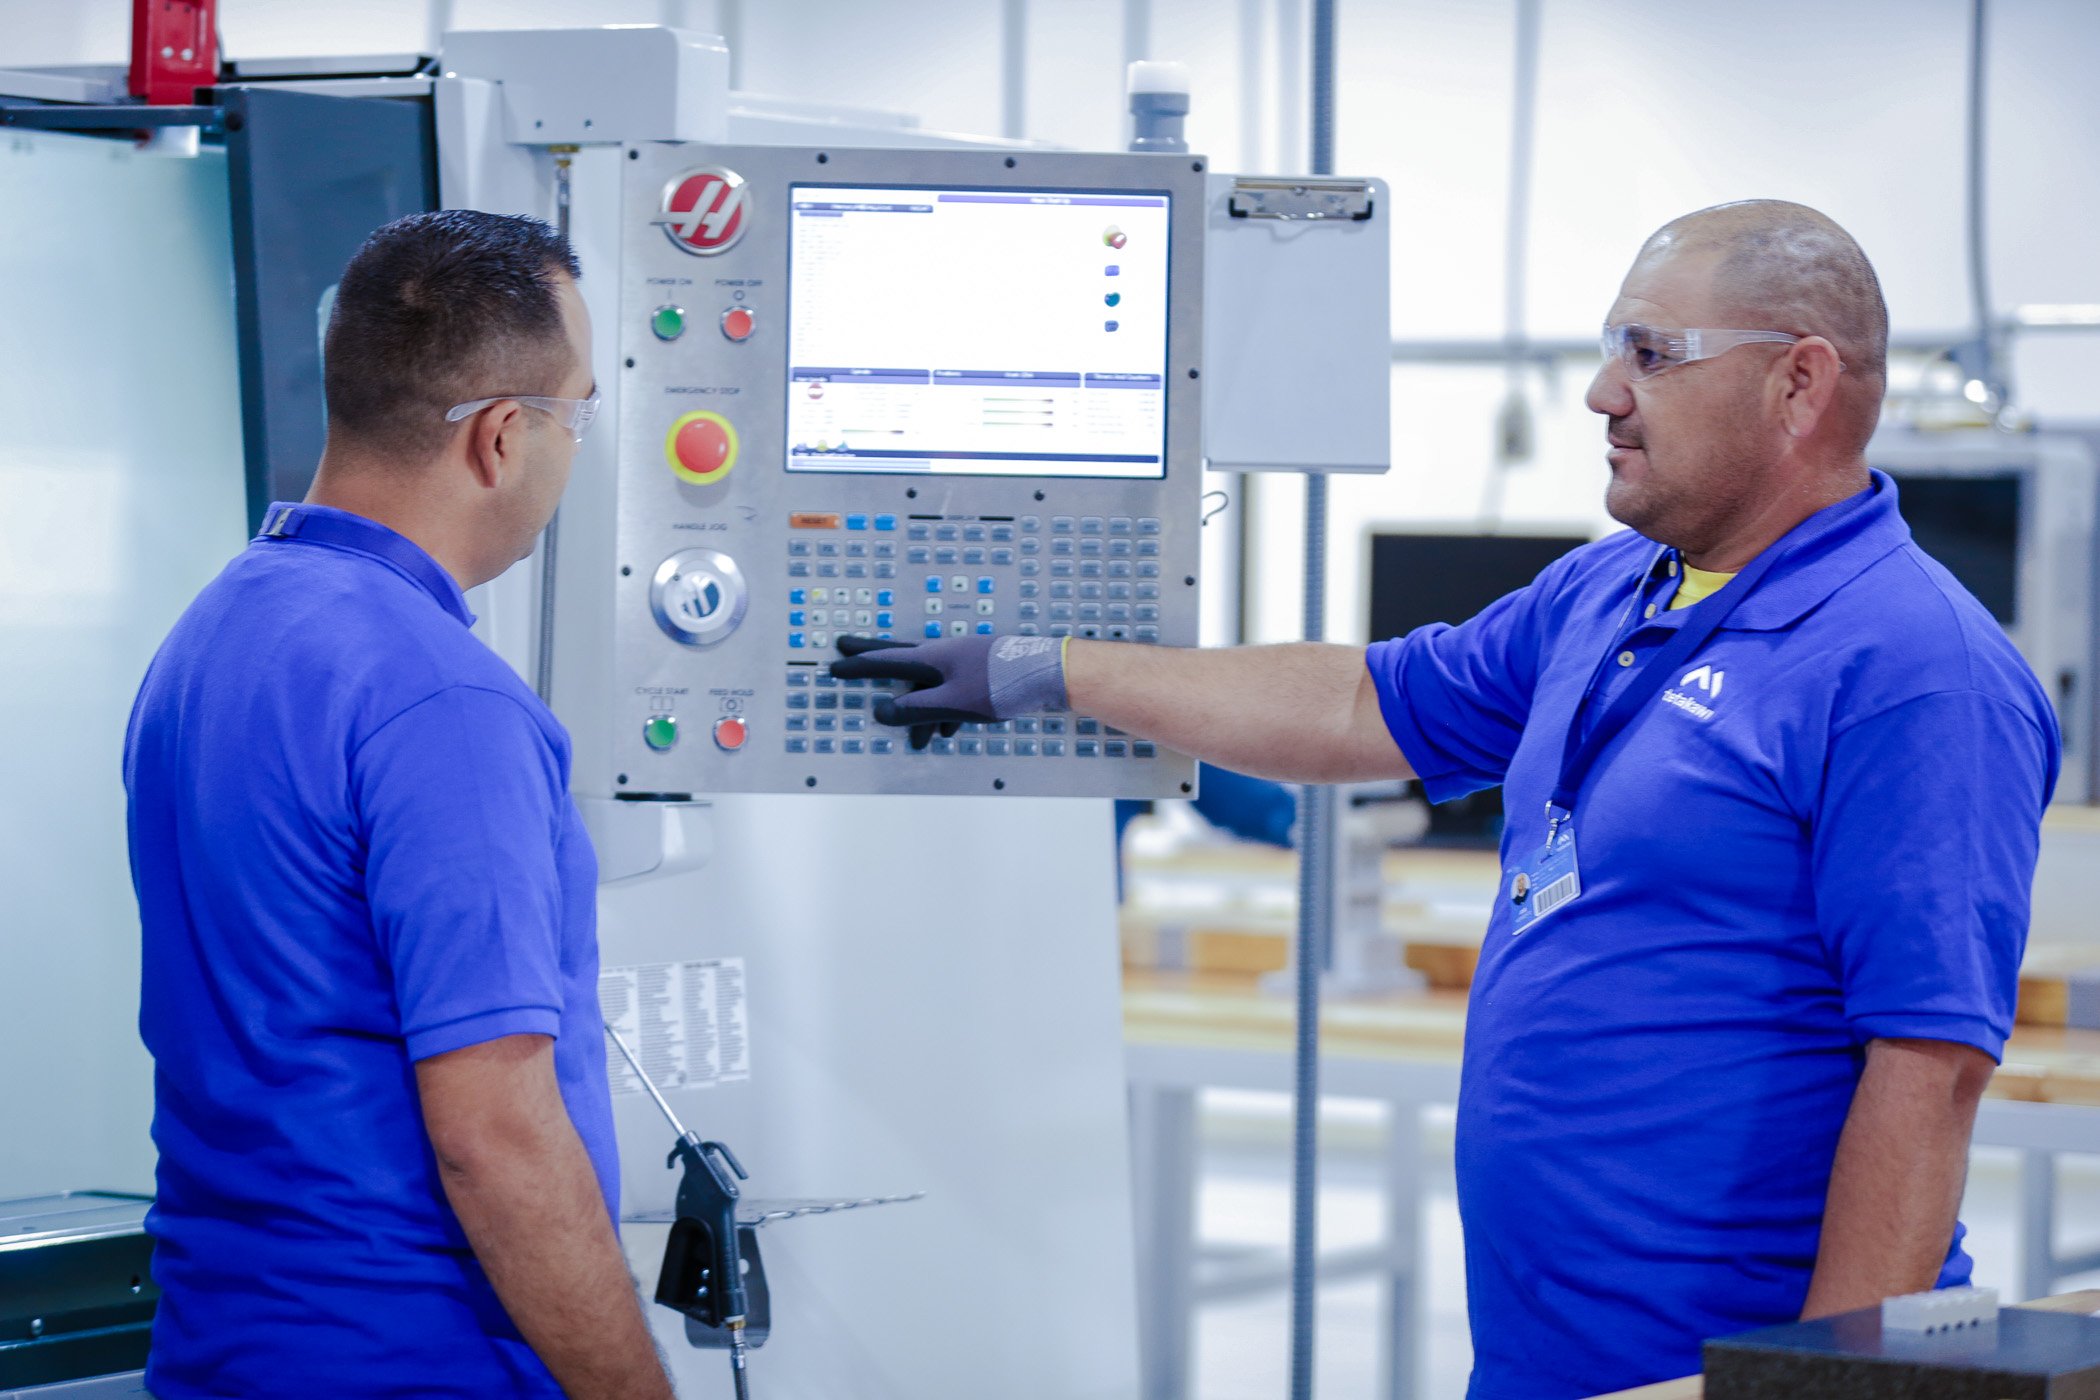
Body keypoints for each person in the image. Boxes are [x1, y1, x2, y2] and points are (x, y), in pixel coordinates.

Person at [834, 200, 2061, 1399]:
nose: (1603, 392)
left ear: (1798, 383)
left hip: (1717, 1362)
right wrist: (1048, 669)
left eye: (1651, 353)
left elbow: (1928, 1065)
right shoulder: (1609, 592)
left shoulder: (1914, 672)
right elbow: (1356, 704)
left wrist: (1818, 1390)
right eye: (1611, 349)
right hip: (1540, 1355)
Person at [124, 211, 674, 1398]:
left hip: (224, 1350)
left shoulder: (213, 635)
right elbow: (497, 1133)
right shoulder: (444, 702)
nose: (574, 451)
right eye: (576, 415)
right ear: (500, 436)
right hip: (421, 1360)